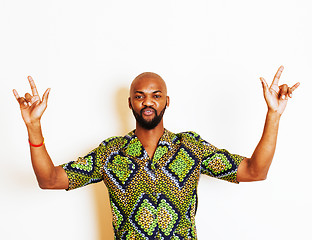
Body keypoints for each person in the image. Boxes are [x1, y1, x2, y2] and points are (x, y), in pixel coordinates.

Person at [13, 66, 300, 240]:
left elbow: (255, 171)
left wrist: (273, 115)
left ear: (167, 101)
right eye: (139, 96)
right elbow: (49, 180)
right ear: (130, 103)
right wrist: (34, 126)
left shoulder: (191, 147)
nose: (147, 102)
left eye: (155, 95)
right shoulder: (110, 153)